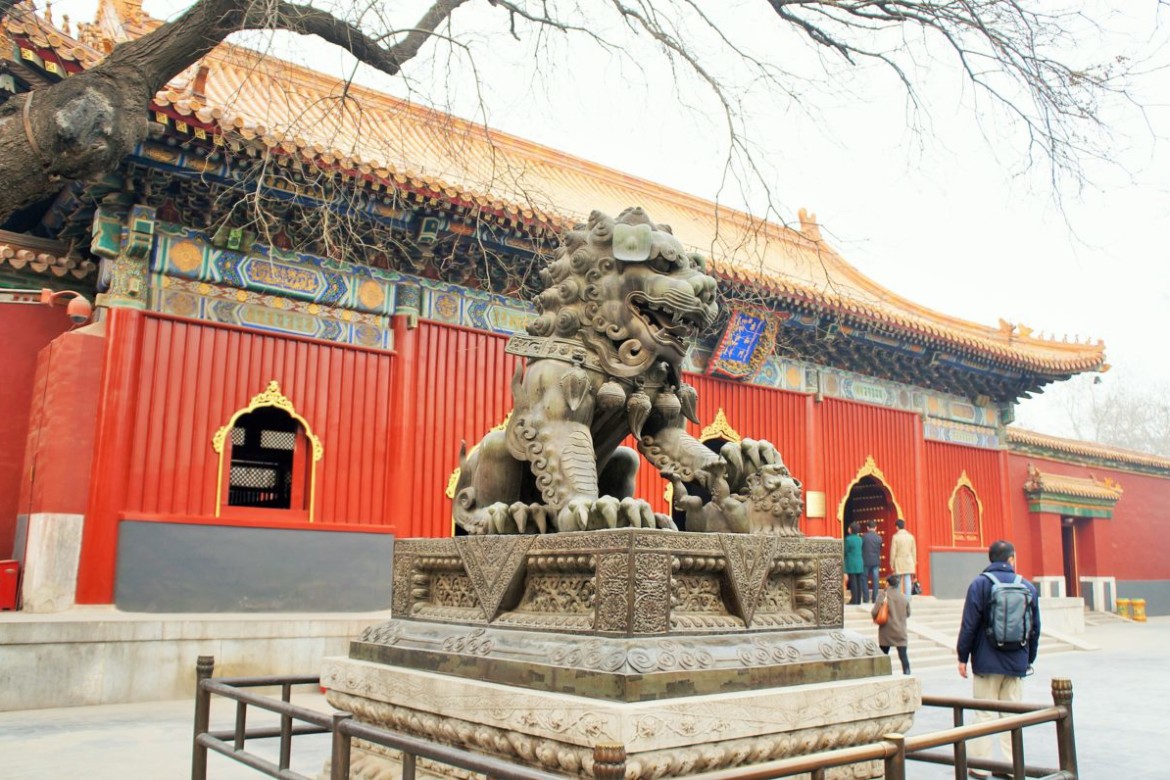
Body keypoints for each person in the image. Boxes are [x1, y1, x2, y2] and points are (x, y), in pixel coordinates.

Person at [956, 540, 1041, 779]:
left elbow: (969, 625)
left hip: (986, 661)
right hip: (1016, 662)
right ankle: (1011, 765)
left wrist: (963, 656)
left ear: (991, 559)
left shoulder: (980, 585)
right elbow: (1035, 628)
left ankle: (980, 766)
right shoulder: (1027, 586)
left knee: (983, 713)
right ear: (1011, 558)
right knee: (1011, 715)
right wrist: (1028, 658)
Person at [872, 574, 911, 674]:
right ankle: (907, 674)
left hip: (886, 630)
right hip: (900, 631)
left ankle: (882, 673)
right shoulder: (903, 597)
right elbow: (908, 613)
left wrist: (876, 618)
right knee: (903, 656)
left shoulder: (883, 595)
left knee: (883, 655)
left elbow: (874, 611)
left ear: (888, 583)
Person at [889, 518, 917, 597]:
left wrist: (892, 564)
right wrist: (914, 562)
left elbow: (893, 552)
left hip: (899, 560)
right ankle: (908, 598)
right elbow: (914, 550)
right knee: (907, 579)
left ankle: (899, 598)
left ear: (897, 527)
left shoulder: (895, 537)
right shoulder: (911, 537)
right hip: (909, 560)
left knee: (898, 580)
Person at [860, 520, 882, 602]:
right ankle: (874, 598)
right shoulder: (879, 538)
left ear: (867, 528)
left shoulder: (864, 537)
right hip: (876, 561)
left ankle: (866, 598)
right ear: (876, 528)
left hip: (865, 561)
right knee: (876, 579)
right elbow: (880, 548)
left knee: (864, 578)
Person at [844, 522, 865, 605]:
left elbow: (845, 551)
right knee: (858, 581)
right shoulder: (860, 539)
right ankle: (858, 600)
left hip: (851, 562)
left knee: (853, 582)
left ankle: (854, 600)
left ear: (851, 529)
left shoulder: (848, 539)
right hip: (859, 561)